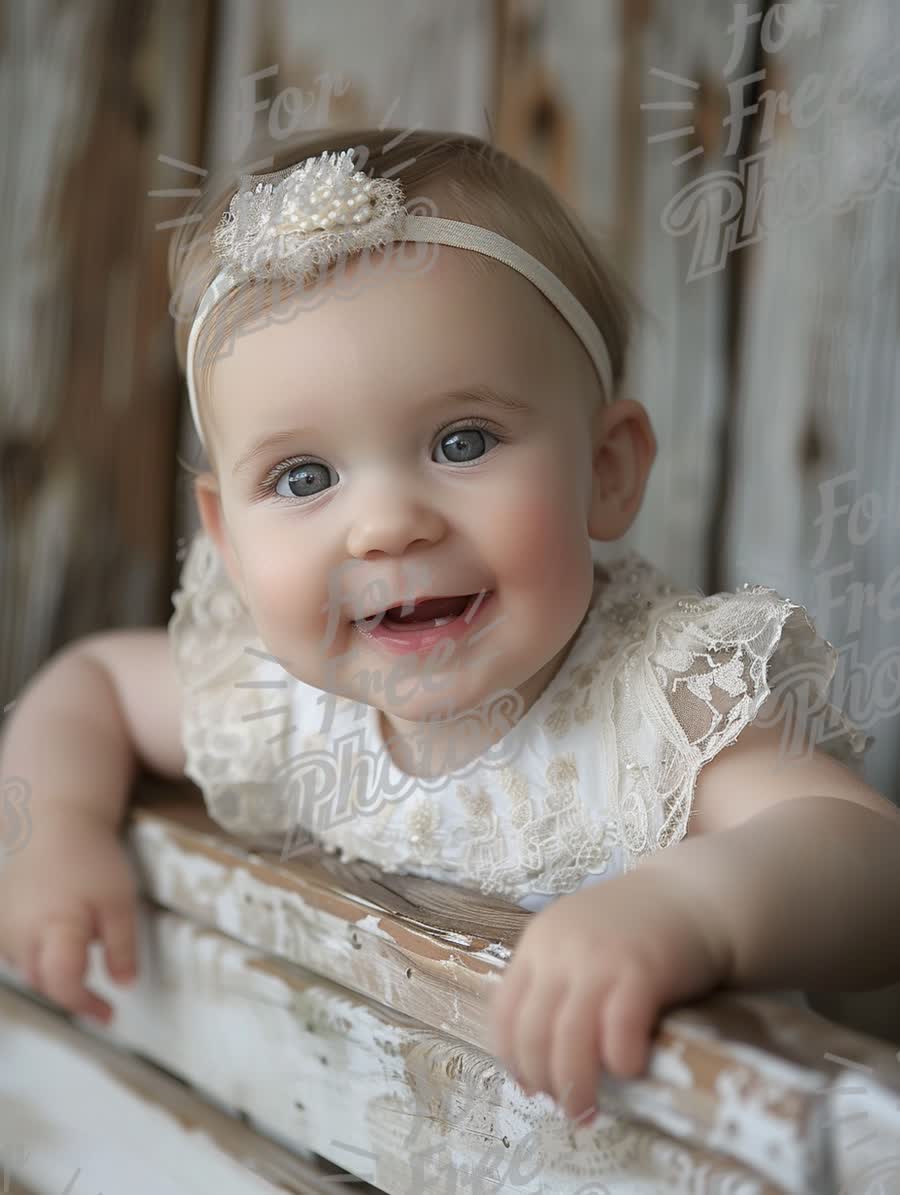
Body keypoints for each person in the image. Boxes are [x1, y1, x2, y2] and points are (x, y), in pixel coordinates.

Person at [2, 127, 900, 1132]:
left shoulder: (656, 700)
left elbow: (869, 861)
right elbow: (89, 687)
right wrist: (51, 835)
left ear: (606, 468)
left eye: (461, 441)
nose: (386, 524)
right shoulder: (276, 701)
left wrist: (691, 910)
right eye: (304, 477)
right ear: (229, 537)